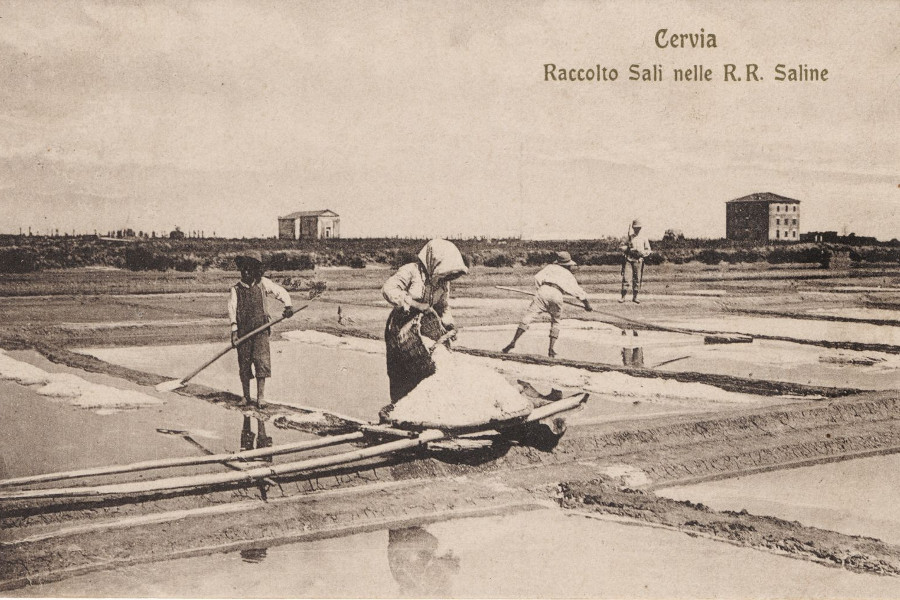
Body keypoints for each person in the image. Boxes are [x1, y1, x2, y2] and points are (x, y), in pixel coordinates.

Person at [382, 239, 468, 403]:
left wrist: (448, 324)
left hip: (425, 328)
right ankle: (398, 410)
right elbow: (388, 289)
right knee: (400, 374)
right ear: (433, 261)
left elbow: (443, 306)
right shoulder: (411, 271)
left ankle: (422, 410)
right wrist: (414, 304)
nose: (448, 276)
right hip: (400, 329)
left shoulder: (443, 282)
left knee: (427, 373)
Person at [227, 251, 293, 407]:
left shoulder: (264, 283)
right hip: (243, 332)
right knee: (244, 363)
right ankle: (246, 396)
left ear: (256, 270)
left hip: (261, 330)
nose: (246, 272)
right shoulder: (236, 289)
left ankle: (260, 397)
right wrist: (234, 331)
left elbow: (281, 292)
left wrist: (288, 306)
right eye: (243, 269)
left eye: (249, 269)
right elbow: (232, 309)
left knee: (261, 362)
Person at [502, 251, 592, 358]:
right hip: (557, 294)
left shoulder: (549, 267)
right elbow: (578, 292)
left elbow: (537, 277)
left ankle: (513, 342)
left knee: (527, 318)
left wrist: (540, 290)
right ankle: (551, 350)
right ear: (568, 265)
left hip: (543, 291)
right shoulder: (568, 275)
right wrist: (587, 305)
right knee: (556, 321)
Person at [619, 218, 652, 304]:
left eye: (638, 228)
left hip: (638, 260)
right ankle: (623, 297)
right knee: (626, 278)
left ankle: (635, 297)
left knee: (637, 279)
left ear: (640, 228)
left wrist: (641, 253)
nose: (637, 229)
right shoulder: (629, 237)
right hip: (629, 260)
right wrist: (628, 248)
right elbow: (621, 247)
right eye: (635, 228)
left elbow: (648, 250)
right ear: (633, 228)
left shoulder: (644, 238)